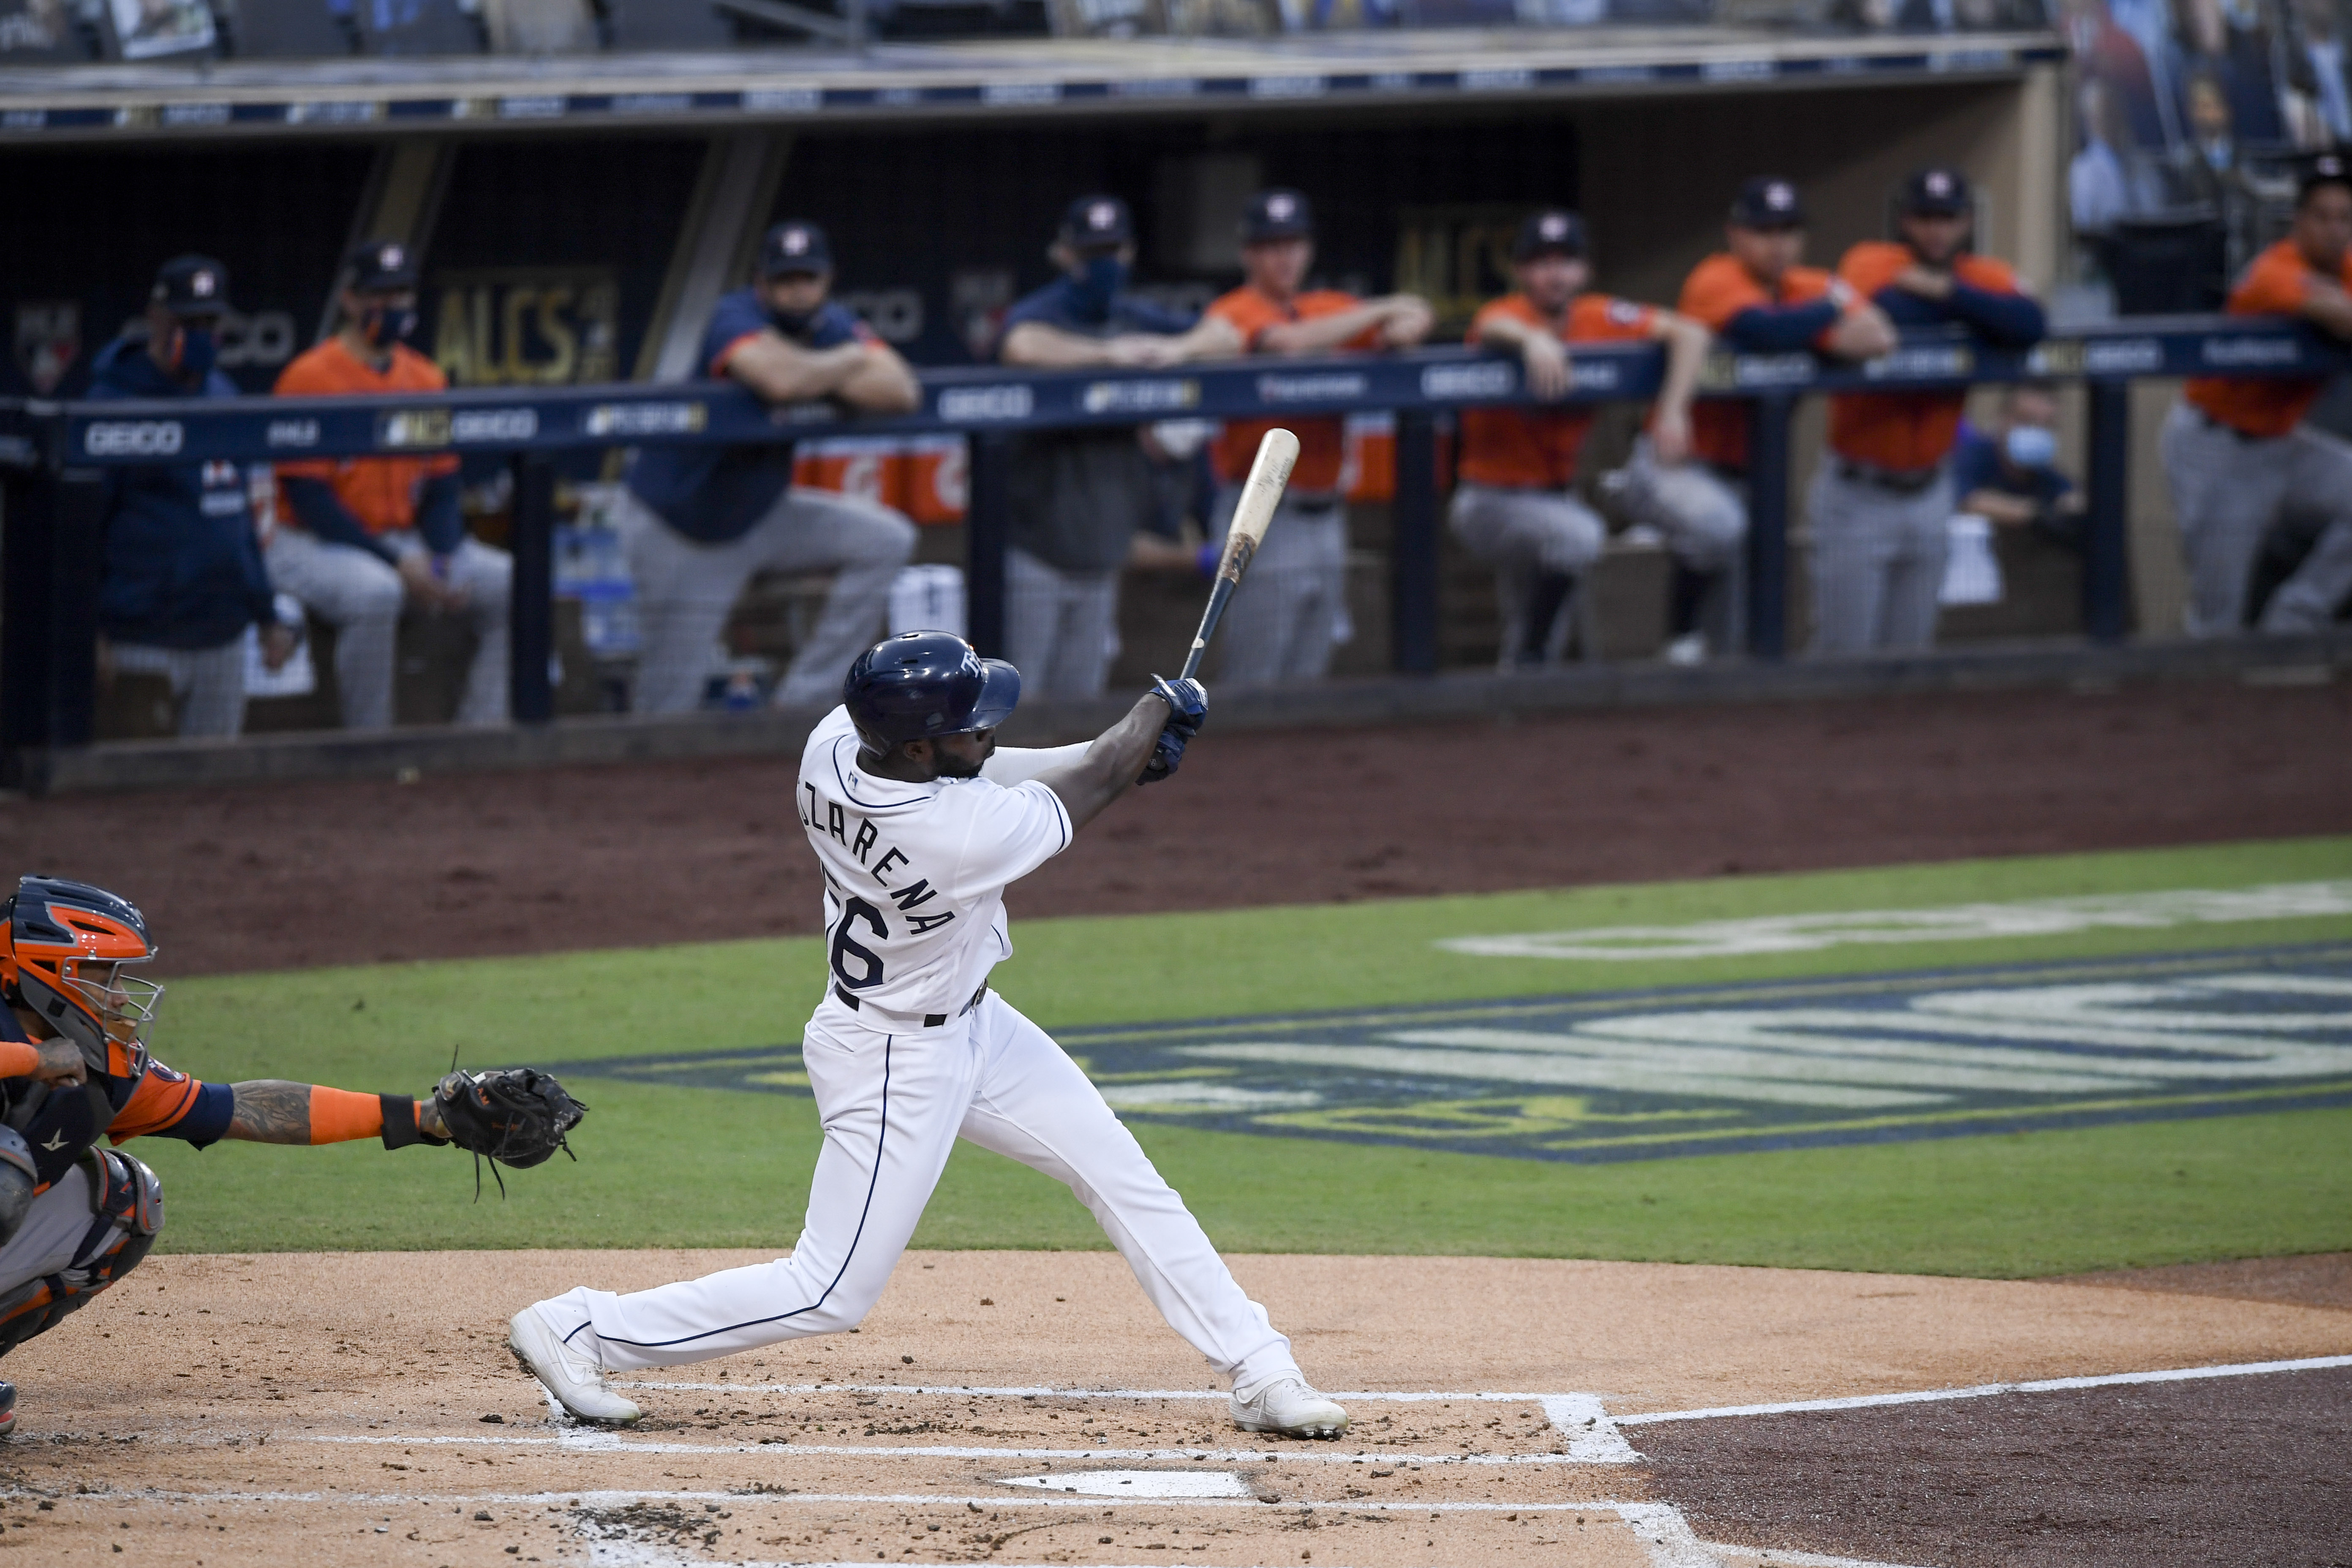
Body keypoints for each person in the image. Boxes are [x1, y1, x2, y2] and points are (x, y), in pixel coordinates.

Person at [509, 632, 1351, 1442]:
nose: (988, 728)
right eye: (967, 721)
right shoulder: (957, 838)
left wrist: (1124, 747)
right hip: (892, 1058)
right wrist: (1147, 722)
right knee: (827, 1289)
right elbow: (1080, 780)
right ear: (918, 750)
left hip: (974, 1026)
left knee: (1122, 1174)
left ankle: (1259, 1366)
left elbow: (1021, 767)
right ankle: (581, 1325)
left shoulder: (835, 744)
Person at [0, 876, 495, 1436]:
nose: (119, 995)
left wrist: (421, 1117)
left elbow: (235, 1107)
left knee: (123, 1203)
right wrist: (28, 1063)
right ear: (43, 975)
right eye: (101, 977)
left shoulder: (99, 1066)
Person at [618, 220, 921, 713]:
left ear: (827, 280)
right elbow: (777, 380)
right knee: (666, 703)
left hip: (760, 511)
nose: (797, 292)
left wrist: (818, 366)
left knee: (886, 539)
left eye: (808, 278)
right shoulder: (733, 313)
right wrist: (847, 360)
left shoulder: (832, 326)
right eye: (784, 280)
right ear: (761, 282)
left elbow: (901, 390)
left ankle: (805, 702)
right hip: (680, 524)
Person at [995, 195, 1243, 697]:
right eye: (1089, 253)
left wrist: (1174, 350)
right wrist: (1110, 355)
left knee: (1080, 709)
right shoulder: (1046, 312)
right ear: (1064, 254)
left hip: (1101, 560)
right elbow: (1020, 345)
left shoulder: (1135, 315)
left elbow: (1228, 335)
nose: (1101, 264)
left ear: (1129, 252)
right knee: (1015, 709)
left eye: (1111, 250)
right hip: (1033, 556)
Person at [270, 240, 512, 731]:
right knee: (377, 592)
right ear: (351, 300)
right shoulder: (308, 377)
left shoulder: (424, 377)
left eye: (402, 295)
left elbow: (444, 486)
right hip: (311, 542)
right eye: (380, 295)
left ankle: (480, 733)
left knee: (509, 580)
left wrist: (444, 561)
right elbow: (311, 501)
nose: (394, 307)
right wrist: (400, 563)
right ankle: (370, 742)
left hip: (402, 540)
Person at [1452, 209, 1710, 667]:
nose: (1555, 273)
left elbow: (1690, 331)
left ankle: (1519, 688)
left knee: (1540, 611)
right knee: (1580, 535)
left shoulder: (1597, 316)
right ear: (1520, 271)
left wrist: (1673, 410)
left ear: (1585, 270)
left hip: (1553, 497)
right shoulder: (1510, 314)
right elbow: (1491, 325)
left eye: (1566, 260)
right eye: (1541, 261)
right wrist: (1533, 341)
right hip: (1490, 500)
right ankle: (1529, 661)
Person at [1200, 190, 1434, 686]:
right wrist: (1382, 308)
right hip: (1264, 515)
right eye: (1270, 246)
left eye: (1294, 243)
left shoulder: (1331, 306)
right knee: (1255, 676)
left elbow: (1412, 326)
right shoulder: (1233, 310)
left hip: (1327, 515)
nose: (1285, 257)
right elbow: (1285, 344)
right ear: (1248, 253)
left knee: (1312, 672)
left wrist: (1395, 318)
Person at [1812, 167, 2046, 655]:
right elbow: (1892, 312)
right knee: (1844, 657)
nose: (1937, 231)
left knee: (1912, 656)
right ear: (1904, 220)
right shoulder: (1870, 260)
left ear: (1966, 221)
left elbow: (2029, 322)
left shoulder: (1980, 273)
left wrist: (1944, 291)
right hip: (1859, 493)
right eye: (1925, 218)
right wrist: (1972, 312)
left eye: (1948, 218)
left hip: (1932, 492)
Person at [1673, 178, 1898, 659]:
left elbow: (1878, 335)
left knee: (1748, 616)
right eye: (1764, 231)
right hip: (1687, 461)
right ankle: (1678, 644)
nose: (1779, 244)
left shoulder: (1808, 284)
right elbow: (1766, 330)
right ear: (1735, 235)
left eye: (1789, 231)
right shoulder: (1715, 277)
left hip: (1756, 473)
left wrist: (1814, 328)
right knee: (1718, 546)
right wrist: (1827, 317)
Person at [90, 256, 294, 738]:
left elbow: (239, 521)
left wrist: (266, 615)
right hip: (141, 639)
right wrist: (88, 632)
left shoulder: (223, 395)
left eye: (210, 323)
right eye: (188, 322)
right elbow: (81, 530)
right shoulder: (111, 404)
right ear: (157, 318)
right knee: (138, 794)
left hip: (222, 637)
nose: (201, 335)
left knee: (215, 792)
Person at [2163, 154, 2352, 635]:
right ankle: (2200, 703)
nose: (2335, 229)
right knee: (2217, 615)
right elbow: (2339, 316)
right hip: (2217, 445)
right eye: (2323, 216)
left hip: (2284, 442)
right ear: (2299, 221)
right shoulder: (2273, 270)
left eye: (2346, 217)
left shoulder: (2345, 265)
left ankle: (2293, 624)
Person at [1951, 383, 2086, 547]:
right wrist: (2033, 514)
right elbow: (1965, 500)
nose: (2036, 432)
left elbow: (2071, 498)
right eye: (2026, 421)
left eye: (2047, 426)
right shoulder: (1973, 454)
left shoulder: (2043, 472)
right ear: (2002, 418)